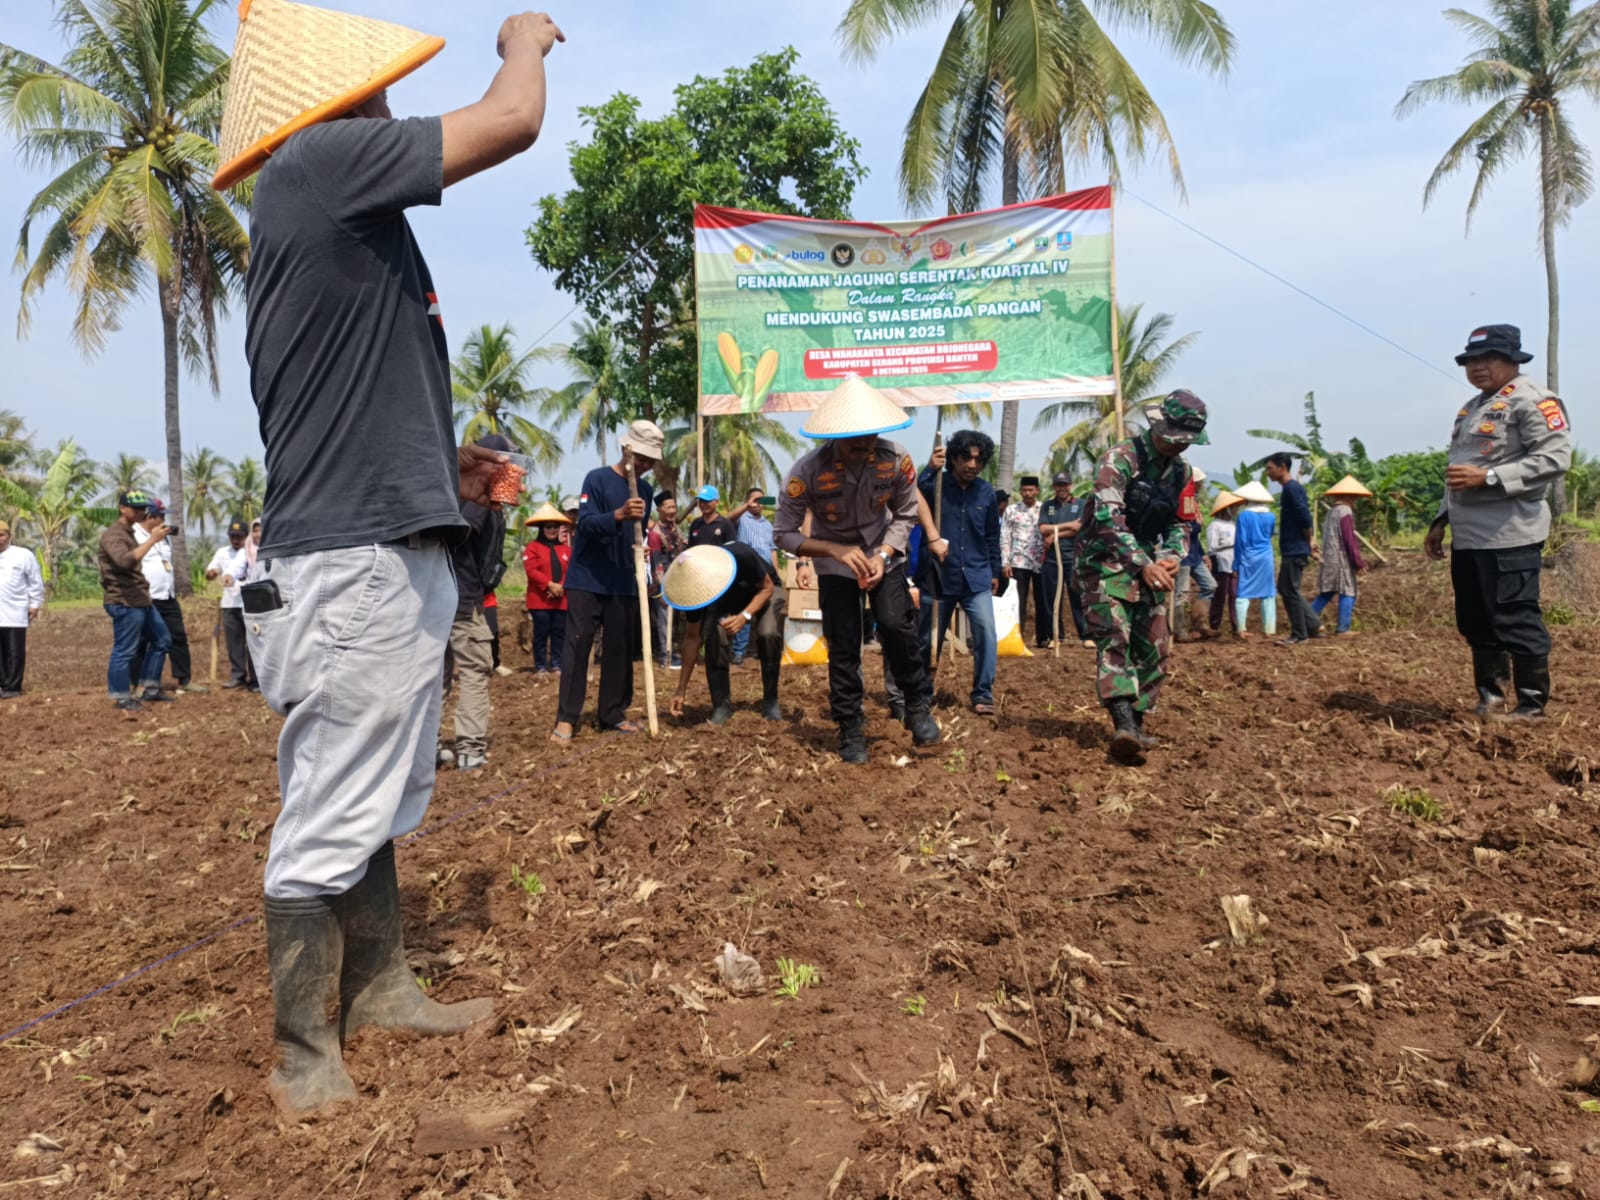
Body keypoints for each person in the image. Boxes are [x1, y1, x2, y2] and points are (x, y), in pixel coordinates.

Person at [216, 0, 564, 1117]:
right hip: (349, 565)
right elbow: (510, 121)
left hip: (376, 550)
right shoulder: (322, 161)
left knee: (369, 792)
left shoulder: (333, 205)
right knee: (332, 804)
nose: (392, 108)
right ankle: (301, 1056)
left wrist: (444, 468)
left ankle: (380, 989)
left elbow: (344, 403)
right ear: (342, 96)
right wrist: (524, 41)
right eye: (379, 90)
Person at [774, 375, 940, 763]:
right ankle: (850, 727)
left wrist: (883, 554)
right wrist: (832, 549)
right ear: (834, 436)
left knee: (896, 625)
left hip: (884, 554)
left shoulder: (896, 459)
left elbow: (906, 513)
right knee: (844, 643)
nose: (864, 445)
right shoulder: (806, 472)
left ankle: (917, 705)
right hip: (835, 563)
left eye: (870, 436)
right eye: (854, 440)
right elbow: (783, 533)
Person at [1425, 323, 1571, 719]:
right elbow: (1460, 470)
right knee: (1476, 620)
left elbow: (1555, 458)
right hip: (1469, 537)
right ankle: (1491, 698)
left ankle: (1531, 705)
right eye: (1470, 361)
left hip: (1510, 534)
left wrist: (1489, 477)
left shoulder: (1534, 400)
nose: (1478, 367)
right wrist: (1440, 520)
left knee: (1515, 619)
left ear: (1512, 360)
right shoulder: (1472, 408)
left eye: (1488, 359)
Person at [1076, 390, 1208, 763]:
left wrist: (1169, 557)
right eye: (1175, 438)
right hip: (1104, 563)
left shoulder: (1181, 473)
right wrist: (1141, 563)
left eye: (1186, 441)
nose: (1179, 446)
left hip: (1149, 567)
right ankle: (1122, 723)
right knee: (1114, 638)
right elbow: (1107, 518)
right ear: (1158, 427)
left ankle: (1135, 723)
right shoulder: (1119, 460)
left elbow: (1182, 523)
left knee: (1156, 646)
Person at [554, 419, 663, 742]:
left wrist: (639, 549)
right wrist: (618, 515)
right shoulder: (597, 479)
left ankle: (612, 713)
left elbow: (636, 534)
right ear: (626, 449)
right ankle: (566, 718)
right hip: (587, 579)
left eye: (650, 461)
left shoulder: (645, 491)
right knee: (578, 646)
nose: (644, 465)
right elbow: (586, 525)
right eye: (640, 457)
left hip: (623, 581)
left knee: (619, 650)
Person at [438, 434, 511, 772]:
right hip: (463, 599)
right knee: (474, 671)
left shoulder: (450, 496)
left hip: (441, 597)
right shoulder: (475, 500)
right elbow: (460, 534)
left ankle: (427, 746)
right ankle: (470, 748)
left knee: (437, 674)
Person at [919, 430, 1002, 715]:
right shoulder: (936, 485)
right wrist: (930, 469)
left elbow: (992, 536)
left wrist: (995, 571)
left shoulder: (986, 492)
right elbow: (913, 495)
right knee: (927, 639)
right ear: (953, 458)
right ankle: (922, 693)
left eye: (979, 460)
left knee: (986, 633)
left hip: (976, 577)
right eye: (966, 458)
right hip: (939, 576)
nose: (972, 465)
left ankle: (983, 694)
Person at [666, 543, 785, 724]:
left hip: (763, 590)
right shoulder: (694, 593)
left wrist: (744, 616)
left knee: (768, 633)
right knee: (714, 635)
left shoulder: (741, 555)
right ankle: (721, 705)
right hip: (728, 601)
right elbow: (692, 638)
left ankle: (770, 700)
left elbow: (767, 588)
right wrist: (680, 689)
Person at [97, 490, 173, 711]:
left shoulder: (128, 532)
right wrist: (152, 540)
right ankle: (121, 697)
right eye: (136, 508)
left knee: (162, 640)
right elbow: (124, 561)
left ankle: (150, 688)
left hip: (140, 598)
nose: (141, 512)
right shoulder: (113, 535)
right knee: (125, 650)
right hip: (124, 600)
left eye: (143, 508)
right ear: (122, 508)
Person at [134, 499, 202, 693]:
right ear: (150, 517)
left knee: (178, 637)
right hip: (147, 597)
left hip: (167, 595)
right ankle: (139, 684)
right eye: (161, 516)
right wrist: (152, 540)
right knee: (143, 641)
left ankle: (184, 680)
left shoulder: (164, 537)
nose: (164, 520)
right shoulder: (134, 535)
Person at [1265, 453, 1317, 645]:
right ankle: (1312, 624)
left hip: (1295, 547)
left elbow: (1304, 517)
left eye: (1270, 468)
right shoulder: (1291, 488)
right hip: (1294, 547)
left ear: (1283, 468)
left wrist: (1308, 541)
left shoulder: (1291, 489)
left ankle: (1300, 634)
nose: (1268, 472)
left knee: (1288, 589)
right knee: (1288, 588)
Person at [1310, 476, 1370, 635]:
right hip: (1341, 558)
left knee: (1327, 592)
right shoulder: (1345, 511)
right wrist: (1358, 562)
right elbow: (1349, 540)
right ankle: (1343, 628)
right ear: (1351, 496)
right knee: (1348, 590)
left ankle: (1306, 621)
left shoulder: (1331, 512)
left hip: (1329, 557)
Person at [1039, 473, 1089, 646]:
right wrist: (1067, 526)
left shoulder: (1081, 504)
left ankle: (1086, 636)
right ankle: (1055, 636)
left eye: (1065, 485)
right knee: (1052, 600)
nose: (1062, 488)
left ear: (1070, 486)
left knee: (1079, 598)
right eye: (1059, 485)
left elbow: (1080, 527)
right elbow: (1043, 528)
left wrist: (1055, 535)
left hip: (1074, 558)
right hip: (1051, 559)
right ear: (1054, 486)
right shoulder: (1047, 506)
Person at [205, 518, 256, 690]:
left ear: (246, 536)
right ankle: (238, 676)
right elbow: (211, 571)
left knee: (253, 643)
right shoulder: (222, 553)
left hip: (250, 604)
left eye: (239, 537)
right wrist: (212, 574)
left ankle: (256, 679)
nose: (235, 540)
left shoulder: (253, 552)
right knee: (234, 643)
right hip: (230, 603)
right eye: (232, 536)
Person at [522, 502, 572, 674]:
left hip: (561, 599)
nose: (552, 530)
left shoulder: (566, 550)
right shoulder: (532, 547)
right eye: (548, 527)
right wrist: (550, 585)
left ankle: (557, 664)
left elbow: (571, 570)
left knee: (559, 633)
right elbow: (531, 570)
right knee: (541, 633)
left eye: (555, 526)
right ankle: (541, 666)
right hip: (539, 600)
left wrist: (561, 587)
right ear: (541, 528)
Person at [731, 487, 776, 666]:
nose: (758, 504)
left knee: (764, 611)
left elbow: (772, 549)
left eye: (761, 500)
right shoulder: (741, 519)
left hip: (765, 571)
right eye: (755, 500)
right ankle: (739, 651)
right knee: (745, 608)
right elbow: (728, 519)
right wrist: (746, 506)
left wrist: (775, 572)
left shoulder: (768, 525)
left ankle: (760, 650)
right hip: (746, 569)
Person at [1172, 470, 1218, 641]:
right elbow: (1186, 529)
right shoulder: (1183, 500)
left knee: (1210, 585)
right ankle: (1179, 631)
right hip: (1183, 554)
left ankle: (1200, 624)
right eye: (1200, 482)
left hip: (1194, 554)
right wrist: (1197, 524)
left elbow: (1194, 535)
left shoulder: (1192, 501)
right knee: (1181, 593)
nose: (1202, 485)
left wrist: (1203, 554)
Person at [0, 519, 44, 699]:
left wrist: (35, 604)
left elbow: (35, 581)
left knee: (14, 651)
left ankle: (13, 687)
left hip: (16, 611)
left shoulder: (22, 555)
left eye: (1, 535)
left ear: (9, 536)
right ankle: (2, 685)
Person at [999, 475, 1045, 643]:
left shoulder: (1044, 509)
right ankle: (1017, 637)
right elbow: (1005, 536)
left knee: (1042, 600)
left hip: (1040, 561)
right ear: (1020, 491)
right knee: (1018, 601)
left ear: (1037, 491)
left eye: (1031, 490)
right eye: (1024, 490)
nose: (1028, 494)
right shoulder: (1012, 510)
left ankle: (1043, 638)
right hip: (1018, 561)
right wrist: (1005, 562)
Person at [1232, 481, 1277, 635]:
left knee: (1243, 591)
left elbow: (1240, 541)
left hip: (1248, 557)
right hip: (1266, 556)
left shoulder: (1244, 516)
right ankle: (1269, 629)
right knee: (1268, 592)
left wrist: (1236, 564)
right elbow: (1270, 535)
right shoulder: (1271, 516)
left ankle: (1241, 628)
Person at [647, 493, 685, 669]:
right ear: (659, 510)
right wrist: (662, 590)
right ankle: (664, 656)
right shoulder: (655, 533)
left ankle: (670, 651)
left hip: (677, 581)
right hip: (662, 584)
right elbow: (656, 563)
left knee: (674, 620)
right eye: (668, 507)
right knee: (664, 620)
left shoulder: (676, 529)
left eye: (674, 507)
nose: (672, 511)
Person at [1206, 492, 1243, 636]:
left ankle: (1236, 625)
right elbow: (1212, 548)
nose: (1235, 510)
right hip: (1221, 561)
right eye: (1233, 507)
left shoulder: (1232, 524)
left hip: (1233, 560)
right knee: (1220, 595)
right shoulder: (1215, 525)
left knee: (1234, 594)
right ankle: (1214, 625)